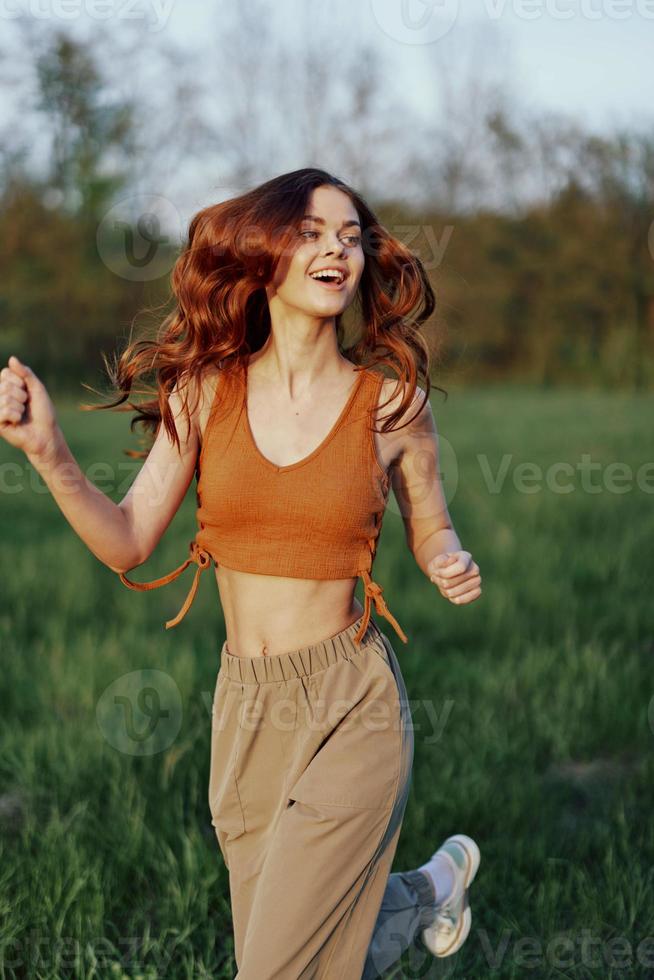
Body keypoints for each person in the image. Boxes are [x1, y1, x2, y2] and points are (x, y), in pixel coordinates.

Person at [0, 168, 482, 978]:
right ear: (264, 256)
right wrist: (48, 455)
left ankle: (412, 898)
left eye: (351, 235)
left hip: (352, 702)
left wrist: (445, 559)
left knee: (273, 967)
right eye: (310, 232)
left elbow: (430, 523)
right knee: (296, 944)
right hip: (245, 709)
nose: (336, 249)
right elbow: (127, 541)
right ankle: (426, 894)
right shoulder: (202, 395)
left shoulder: (391, 405)